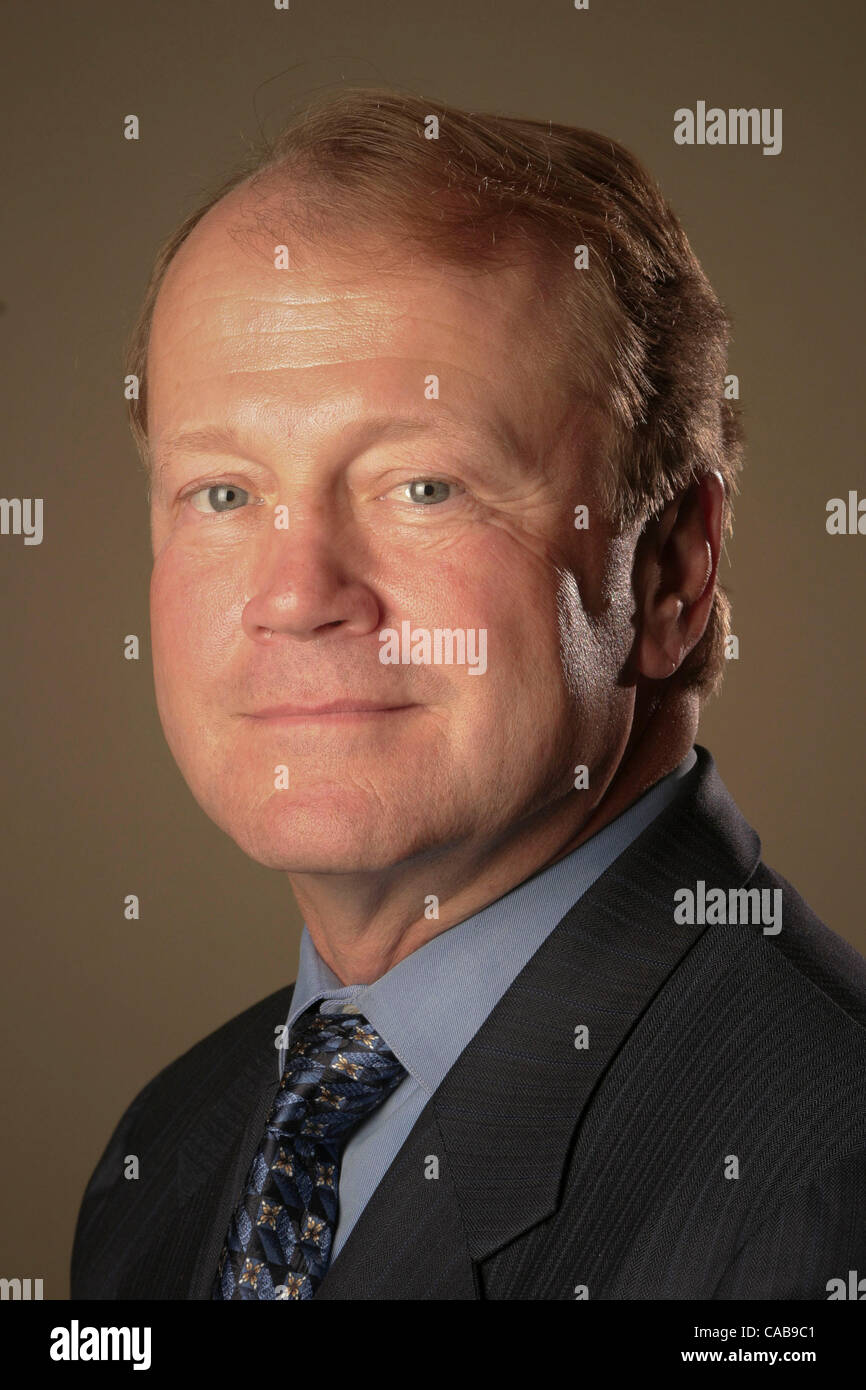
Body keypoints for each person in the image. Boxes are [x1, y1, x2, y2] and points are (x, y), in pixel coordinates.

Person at [71, 86, 866, 1301]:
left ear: (670, 570)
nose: (296, 595)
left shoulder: (815, 1186)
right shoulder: (168, 1148)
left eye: (422, 487)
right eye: (223, 493)